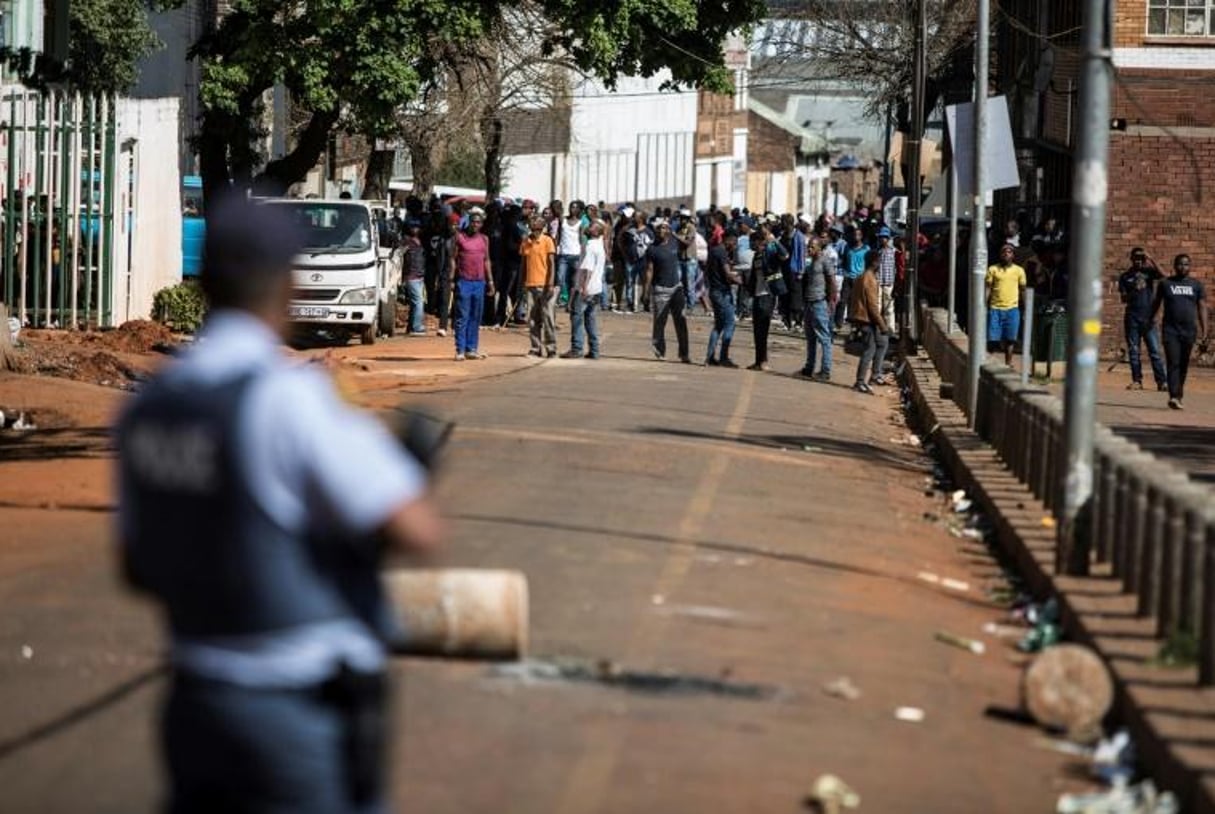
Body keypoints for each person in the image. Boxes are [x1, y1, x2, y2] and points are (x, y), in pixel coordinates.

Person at [116, 194, 444, 814]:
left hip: (195, 704)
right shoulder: (287, 399)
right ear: (287, 281)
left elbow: (136, 565)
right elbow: (415, 526)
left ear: (203, 276)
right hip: (295, 707)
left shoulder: (148, 409)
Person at [1151, 253, 1208, 410]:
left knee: (1183, 365)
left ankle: (1178, 395)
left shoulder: (1196, 285)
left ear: (1190, 266)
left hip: (1189, 331)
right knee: (1173, 362)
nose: (1183, 267)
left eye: (1186, 264)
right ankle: (1174, 396)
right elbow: (1156, 303)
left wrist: (1205, 330)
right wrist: (1150, 319)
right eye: (1180, 264)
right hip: (1171, 331)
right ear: (1174, 266)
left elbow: (1202, 307)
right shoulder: (1166, 284)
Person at [1117, 247, 1167, 391]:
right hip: (1132, 317)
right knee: (1134, 350)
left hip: (1149, 318)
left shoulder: (1149, 272)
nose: (1138, 261)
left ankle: (1162, 382)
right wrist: (1135, 290)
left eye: (1141, 259)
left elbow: (1164, 276)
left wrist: (1151, 259)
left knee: (1155, 351)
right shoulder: (1125, 276)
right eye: (1136, 259)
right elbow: (1123, 298)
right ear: (1131, 259)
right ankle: (1137, 380)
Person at [643, 219, 690, 362]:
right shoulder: (651, 248)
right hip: (660, 290)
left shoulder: (674, 242)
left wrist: (674, 234)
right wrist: (646, 292)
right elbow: (649, 271)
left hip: (677, 288)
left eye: (664, 228)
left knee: (681, 322)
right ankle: (660, 351)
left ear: (668, 230)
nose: (661, 231)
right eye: (658, 228)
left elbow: (687, 244)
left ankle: (684, 354)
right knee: (659, 323)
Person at [450, 208, 494, 361]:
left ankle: (471, 348)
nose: (475, 225)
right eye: (473, 222)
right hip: (464, 281)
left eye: (478, 222)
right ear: (469, 222)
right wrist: (451, 280)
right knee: (462, 316)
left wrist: (490, 281)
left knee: (476, 316)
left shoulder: (484, 239)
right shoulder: (460, 237)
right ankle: (460, 349)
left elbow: (487, 260)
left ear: (481, 224)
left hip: (479, 282)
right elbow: (453, 259)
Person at [743, 224, 789, 371]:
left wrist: (773, 240)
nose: (750, 244)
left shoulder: (769, 252)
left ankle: (763, 361)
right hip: (757, 296)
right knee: (757, 330)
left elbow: (785, 255)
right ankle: (758, 361)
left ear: (759, 241)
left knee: (763, 329)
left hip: (767, 296)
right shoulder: (756, 256)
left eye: (753, 241)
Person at [563, 221, 606, 359]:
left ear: (597, 232)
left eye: (592, 226)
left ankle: (577, 348)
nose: (588, 227)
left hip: (586, 289)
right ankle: (594, 350)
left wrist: (583, 287)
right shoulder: (599, 246)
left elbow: (588, 269)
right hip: (596, 289)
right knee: (590, 319)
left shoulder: (591, 246)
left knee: (576, 317)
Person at [850, 250, 890, 393]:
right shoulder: (869, 279)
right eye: (879, 261)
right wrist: (882, 325)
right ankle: (860, 381)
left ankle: (875, 374)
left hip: (863, 318)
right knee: (870, 350)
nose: (880, 264)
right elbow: (872, 306)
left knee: (883, 342)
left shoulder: (862, 277)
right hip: (866, 319)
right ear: (874, 262)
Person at [520, 215, 557, 358]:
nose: (532, 226)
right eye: (531, 224)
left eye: (535, 223)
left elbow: (551, 264)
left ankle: (551, 347)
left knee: (547, 318)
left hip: (544, 285)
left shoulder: (547, 241)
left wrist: (551, 283)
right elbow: (523, 264)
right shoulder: (526, 241)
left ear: (541, 226)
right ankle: (535, 347)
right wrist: (521, 284)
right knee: (533, 318)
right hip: (530, 284)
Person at [801, 237, 838, 381]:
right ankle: (809, 366)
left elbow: (832, 282)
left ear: (818, 248)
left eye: (812, 247)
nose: (809, 249)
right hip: (809, 303)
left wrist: (831, 301)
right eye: (808, 247)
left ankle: (825, 370)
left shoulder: (825, 261)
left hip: (820, 303)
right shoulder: (810, 263)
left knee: (824, 338)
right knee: (810, 338)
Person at [985, 243, 1027, 366]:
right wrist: (984, 304)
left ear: (1013, 255)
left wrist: (1026, 307)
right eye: (1004, 251)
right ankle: (988, 365)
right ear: (1000, 254)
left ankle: (1008, 364)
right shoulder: (993, 269)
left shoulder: (1019, 271)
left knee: (1010, 340)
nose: (1006, 254)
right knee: (992, 340)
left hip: (1012, 309)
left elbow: (1023, 290)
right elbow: (988, 288)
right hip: (995, 309)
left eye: (1009, 252)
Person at [705, 230, 740, 368]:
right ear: (728, 240)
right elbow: (727, 274)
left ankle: (709, 357)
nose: (735, 246)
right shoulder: (722, 253)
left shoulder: (713, 251)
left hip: (714, 290)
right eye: (734, 242)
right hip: (722, 292)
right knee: (730, 323)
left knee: (718, 325)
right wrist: (741, 281)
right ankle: (724, 357)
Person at [401, 218, 427, 335]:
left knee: (414, 303)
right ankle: (417, 327)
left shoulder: (420, 241)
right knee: (418, 302)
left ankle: (411, 326)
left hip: (419, 275)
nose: (415, 229)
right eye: (413, 227)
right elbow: (399, 256)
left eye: (417, 227)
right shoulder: (406, 241)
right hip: (411, 276)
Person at [875, 227, 897, 334]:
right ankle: (878, 327)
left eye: (885, 237)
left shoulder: (894, 252)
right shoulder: (878, 252)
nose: (883, 239)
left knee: (889, 308)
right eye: (881, 237)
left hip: (889, 283)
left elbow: (896, 268)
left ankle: (890, 329)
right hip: (879, 282)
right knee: (878, 305)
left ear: (888, 239)